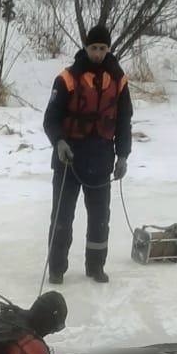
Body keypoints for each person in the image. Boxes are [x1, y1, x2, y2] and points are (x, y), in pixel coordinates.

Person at [42, 23, 133, 285]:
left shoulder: (118, 80)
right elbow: (51, 119)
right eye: (94, 48)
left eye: (103, 48)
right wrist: (58, 142)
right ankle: (57, 269)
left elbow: (124, 119)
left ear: (108, 49)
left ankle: (96, 267)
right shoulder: (67, 78)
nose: (98, 53)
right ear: (86, 47)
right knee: (62, 217)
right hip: (68, 158)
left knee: (99, 218)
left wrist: (123, 155)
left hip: (101, 158)